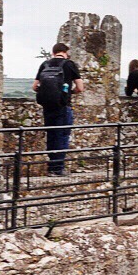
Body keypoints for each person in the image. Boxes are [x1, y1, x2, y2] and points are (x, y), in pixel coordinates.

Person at [33, 43, 83, 176]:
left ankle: (51, 167)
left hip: (48, 106)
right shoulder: (69, 64)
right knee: (62, 135)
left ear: (53, 52)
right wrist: (69, 93)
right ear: (65, 52)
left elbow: (34, 86)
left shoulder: (45, 64)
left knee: (51, 135)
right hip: (62, 105)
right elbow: (80, 87)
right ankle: (58, 168)